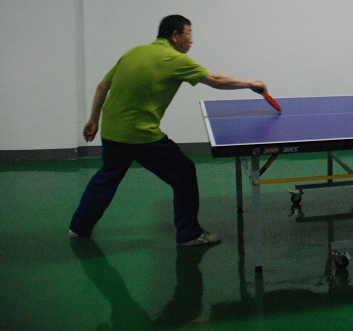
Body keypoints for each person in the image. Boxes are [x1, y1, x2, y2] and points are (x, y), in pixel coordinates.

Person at [69, 15, 270, 245]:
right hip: (140, 134)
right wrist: (251, 84)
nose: (191, 40)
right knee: (184, 172)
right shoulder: (174, 59)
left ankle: (78, 227)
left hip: (112, 130)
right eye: (188, 34)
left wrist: (93, 120)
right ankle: (189, 234)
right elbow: (215, 80)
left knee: (107, 176)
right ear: (175, 36)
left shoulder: (134, 52)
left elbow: (103, 85)